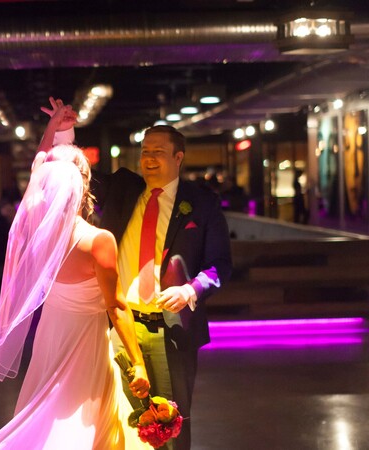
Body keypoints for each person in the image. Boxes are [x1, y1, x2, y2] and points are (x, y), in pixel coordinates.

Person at [41, 97, 233, 450]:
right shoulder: (124, 188)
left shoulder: (201, 203)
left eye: (158, 152)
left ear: (178, 157)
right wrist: (64, 132)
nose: (149, 158)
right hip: (120, 327)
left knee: (170, 424)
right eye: (145, 151)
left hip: (170, 330)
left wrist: (190, 290)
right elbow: (73, 172)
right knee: (121, 420)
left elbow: (220, 265)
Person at [0, 129, 152, 448]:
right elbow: (116, 307)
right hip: (85, 342)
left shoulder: (37, 234)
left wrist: (54, 130)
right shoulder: (97, 241)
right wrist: (138, 363)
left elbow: (38, 171)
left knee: (45, 417)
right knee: (79, 427)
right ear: (83, 187)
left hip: (49, 337)